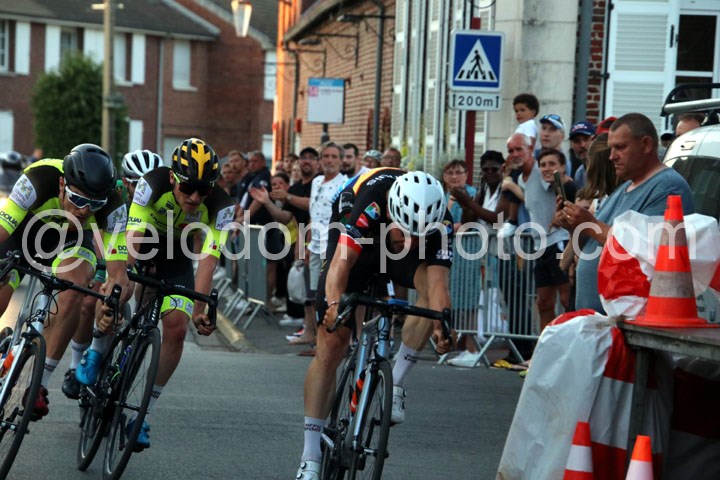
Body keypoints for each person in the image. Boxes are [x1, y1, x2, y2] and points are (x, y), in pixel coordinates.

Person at [294, 169, 453, 480]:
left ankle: (398, 382)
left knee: (430, 300)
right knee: (332, 345)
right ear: (392, 216)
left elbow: (438, 285)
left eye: (420, 236)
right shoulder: (371, 204)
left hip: (391, 246)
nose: (411, 242)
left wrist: (441, 326)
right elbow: (340, 266)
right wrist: (335, 306)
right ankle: (310, 456)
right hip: (356, 235)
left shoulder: (440, 222)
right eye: (406, 233)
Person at [75, 138, 233, 450]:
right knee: (118, 290)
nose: (195, 197)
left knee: (177, 328)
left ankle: (142, 415)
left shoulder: (222, 207)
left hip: (177, 255)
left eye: (203, 190)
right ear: (173, 177)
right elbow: (132, 239)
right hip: (142, 240)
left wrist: (199, 310)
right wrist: (120, 278)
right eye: (188, 188)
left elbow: (208, 261)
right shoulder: (151, 184)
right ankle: (96, 348)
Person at [0, 144, 131, 418]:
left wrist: (111, 304)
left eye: (94, 204)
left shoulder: (114, 205)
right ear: (62, 184)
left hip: (73, 241)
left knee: (75, 289)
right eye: (78, 200)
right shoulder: (39, 178)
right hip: (25, 233)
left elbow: (119, 273)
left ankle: (39, 385)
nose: (84, 210)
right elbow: (3, 228)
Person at [567, 113, 695, 313]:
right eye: (611, 148)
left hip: (630, 323)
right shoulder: (626, 186)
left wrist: (590, 225)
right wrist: (574, 225)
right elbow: (592, 245)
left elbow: (645, 251)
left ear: (646, 144)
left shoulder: (668, 187)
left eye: (620, 147)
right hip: (602, 321)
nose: (612, 156)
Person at [62, 149, 163, 400]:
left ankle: (134, 338)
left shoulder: (161, 197)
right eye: (137, 184)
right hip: (106, 243)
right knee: (89, 302)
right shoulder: (112, 193)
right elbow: (99, 229)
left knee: (130, 291)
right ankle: (77, 364)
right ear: (125, 183)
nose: (144, 189)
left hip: (141, 249)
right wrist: (102, 265)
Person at [293, 142, 347, 348]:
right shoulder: (316, 181)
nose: (329, 160)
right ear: (320, 160)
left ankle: (329, 340)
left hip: (331, 245)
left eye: (334, 156)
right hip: (315, 245)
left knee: (328, 293)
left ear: (340, 160)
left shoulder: (345, 183)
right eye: (326, 156)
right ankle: (317, 337)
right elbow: (313, 214)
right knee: (314, 294)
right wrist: (307, 243)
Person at [441, 159, 477, 232]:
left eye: (458, 173)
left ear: (466, 175)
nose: (454, 177)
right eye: (450, 173)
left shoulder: (472, 193)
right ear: (444, 176)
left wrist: (444, 228)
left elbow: (466, 225)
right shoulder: (443, 195)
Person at [568, 120, 596, 189]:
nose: (582, 145)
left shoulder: (605, 168)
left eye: (586, 139)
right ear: (571, 145)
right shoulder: (579, 174)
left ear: (594, 140)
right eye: (576, 141)